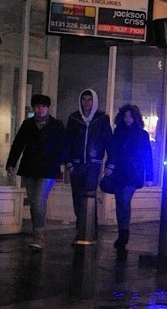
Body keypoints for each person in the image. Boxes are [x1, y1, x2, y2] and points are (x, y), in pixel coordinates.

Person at [5, 94, 68, 250]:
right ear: (34, 108)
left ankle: (39, 235)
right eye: (38, 106)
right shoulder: (28, 124)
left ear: (48, 108)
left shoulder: (56, 125)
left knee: (39, 200)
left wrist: (58, 160)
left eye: (43, 106)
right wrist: (11, 162)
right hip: (30, 168)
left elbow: (64, 145)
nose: (40, 109)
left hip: (47, 169)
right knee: (34, 202)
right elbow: (18, 144)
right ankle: (37, 232)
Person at [104, 104, 154, 255]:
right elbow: (113, 152)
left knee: (124, 200)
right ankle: (122, 232)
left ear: (135, 117)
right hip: (120, 171)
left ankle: (123, 233)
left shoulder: (142, 134)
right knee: (121, 201)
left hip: (133, 172)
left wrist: (150, 176)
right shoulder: (118, 132)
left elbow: (147, 156)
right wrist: (110, 166)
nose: (127, 119)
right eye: (125, 116)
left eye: (130, 116)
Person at [65, 88, 112, 244]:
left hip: (93, 165)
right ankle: (81, 231)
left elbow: (108, 142)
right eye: (84, 99)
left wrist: (109, 163)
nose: (86, 103)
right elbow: (67, 142)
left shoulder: (102, 119)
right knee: (77, 198)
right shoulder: (74, 118)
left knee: (90, 197)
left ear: (94, 101)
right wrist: (69, 162)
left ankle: (91, 231)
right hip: (77, 164)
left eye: (89, 99)